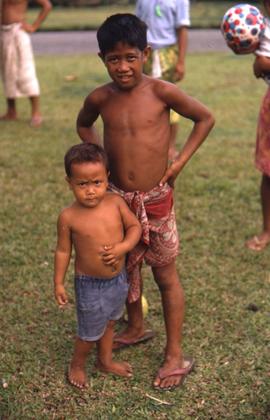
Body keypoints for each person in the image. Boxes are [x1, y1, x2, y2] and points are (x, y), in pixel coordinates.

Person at [76, 13, 215, 390]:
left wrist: (179, 162)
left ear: (146, 53)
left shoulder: (161, 91)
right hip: (118, 200)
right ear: (102, 58)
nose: (123, 67)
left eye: (131, 57)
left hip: (156, 200)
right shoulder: (100, 97)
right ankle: (136, 326)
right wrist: (100, 160)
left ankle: (174, 353)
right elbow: (84, 123)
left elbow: (204, 118)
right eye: (114, 59)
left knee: (165, 274)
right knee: (126, 269)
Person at [53, 142, 142, 389]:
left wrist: (123, 247)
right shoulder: (69, 217)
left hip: (118, 279)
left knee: (111, 321)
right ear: (69, 182)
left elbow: (135, 227)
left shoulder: (115, 203)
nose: (91, 191)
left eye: (97, 182)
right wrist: (58, 282)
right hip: (89, 284)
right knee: (89, 332)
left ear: (107, 178)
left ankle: (105, 361)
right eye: (82, 184)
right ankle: (78, 364)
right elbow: (63, 251)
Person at [221, 2, 270, 251]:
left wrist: (260, 62)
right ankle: (268, 229)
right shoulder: (261, 31)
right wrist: (256, 59)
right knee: (269, 171)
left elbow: (262, 65)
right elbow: (259, 64)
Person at [136, 0, 190, 160]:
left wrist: (181, 61)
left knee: (169, 100)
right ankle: (145, 143)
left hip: (168, 52)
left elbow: (182, 30)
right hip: (145, 52)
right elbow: (137, 25)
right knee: (144, 98)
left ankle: (170, 147)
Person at [0, 0, 52, 127]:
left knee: (25, 71)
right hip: (3, 33)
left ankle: (36, 113)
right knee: (7, 72)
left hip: (18, 33)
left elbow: (47, 5)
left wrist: (34, 26)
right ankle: (11, 111)